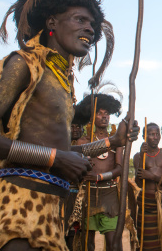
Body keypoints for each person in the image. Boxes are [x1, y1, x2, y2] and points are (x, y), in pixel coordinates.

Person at [0, 0, 138, 251]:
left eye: (92, 23)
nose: (90, 29)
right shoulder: (25, 63)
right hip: (15, 214)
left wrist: (111, 142)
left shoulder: (63, 82)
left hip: (50, 216)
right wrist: (56, 158)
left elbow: (62, 153)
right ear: (52, 22)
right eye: (80, 19)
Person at [75, 93, 126, 251]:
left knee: (112, 243)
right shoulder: (83, 141)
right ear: (92, 116)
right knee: (87, 244)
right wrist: (84, 165)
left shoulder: (116, 141)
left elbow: (119, 169)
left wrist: (99, 176)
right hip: (88, 194)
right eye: (99, 113)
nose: (104, 117)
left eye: (107, 114)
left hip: (109, 195)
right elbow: (76, 167)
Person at [133, 122, 162, 251]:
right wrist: (142, 156)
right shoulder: (138, 156)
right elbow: (138, 182)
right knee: (147, 244)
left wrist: (153, 177)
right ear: (144, 137)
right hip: (146, 203)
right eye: (151, 134)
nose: (155, 137)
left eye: (157, 134)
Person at [65, 104, 90, 251]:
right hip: (62, 196)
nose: (75, 130)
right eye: (72, 126)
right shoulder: (61, 144)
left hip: (80, 196)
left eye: (78, 127)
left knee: (76, 233)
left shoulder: (87, 145)